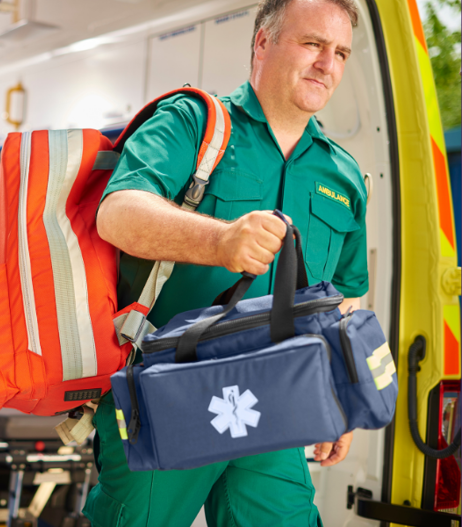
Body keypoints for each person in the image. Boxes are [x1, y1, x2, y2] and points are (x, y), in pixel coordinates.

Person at [85, 0, 367, 525]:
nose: (328, 64)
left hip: (279, 407)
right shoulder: (193, 123)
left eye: (341, 52)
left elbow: (342, 296)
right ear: (262, 42)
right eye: (312, 44)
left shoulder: (343, 173)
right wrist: (219, 241)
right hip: (168, 393)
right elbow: (119, 213)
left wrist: (338, 393)